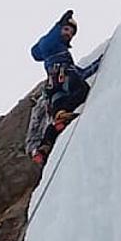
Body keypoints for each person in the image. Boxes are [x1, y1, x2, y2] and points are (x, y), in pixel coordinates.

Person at [26, 9, 102, 164]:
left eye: (72, 33)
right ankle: (62, 114)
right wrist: (58, 24)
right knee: (82, 91)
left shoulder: (57, 50)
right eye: (66, 29)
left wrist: (98, 64)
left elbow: (81, 73)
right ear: (59, 29)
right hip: (63, 77)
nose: (69, 34)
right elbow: (43, 46)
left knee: (56, 121)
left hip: (55, 89)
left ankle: (42, 148)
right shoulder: (53, 46)